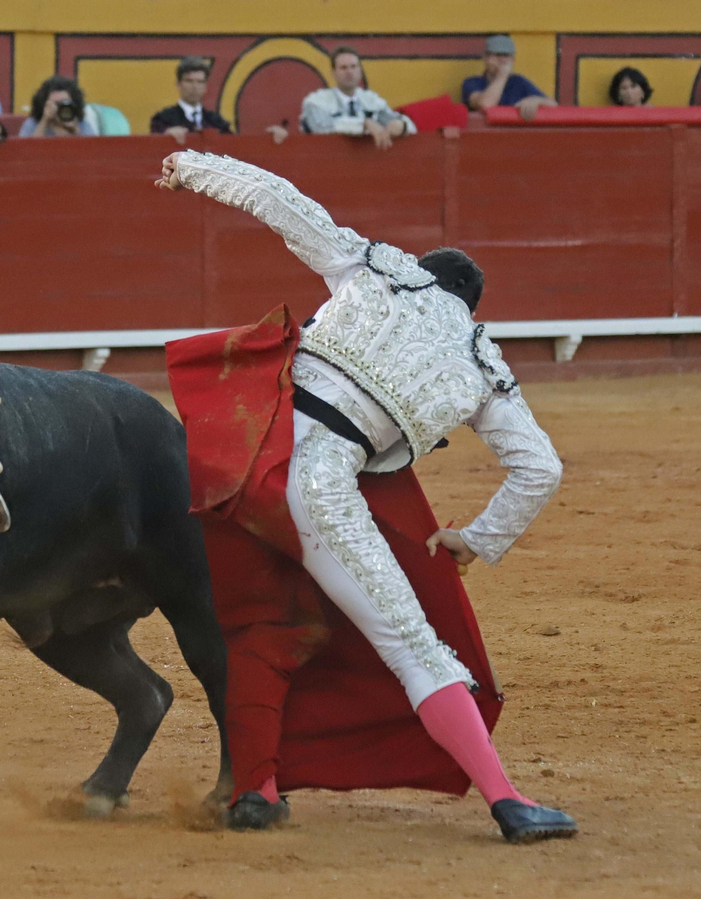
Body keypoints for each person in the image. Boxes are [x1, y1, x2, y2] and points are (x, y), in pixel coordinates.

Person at [156, 149, 577, 843]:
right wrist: (475, 538)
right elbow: (540, 468)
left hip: (238, 455)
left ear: (423, 271)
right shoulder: (479, 360)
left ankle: (255, 788)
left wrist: (191, 165)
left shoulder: (376, 267)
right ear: (470, 306)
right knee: (415, 647)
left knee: (259, 626)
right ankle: (506, 800)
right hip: (319, 486)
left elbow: (280, 198)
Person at [300, 47, 413, 148]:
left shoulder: (371, 100)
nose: (349, 72)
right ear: (333, 73)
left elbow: (404, 123)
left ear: (360, 70)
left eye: (353, 67)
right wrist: (363, 124)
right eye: (343, 68)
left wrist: (401, 125)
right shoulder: (316, 101)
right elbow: (322, 129)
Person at [462, 35, 557, 121]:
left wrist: (536, 101)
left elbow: (554, 105)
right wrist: (502, 75)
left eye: (505, 55)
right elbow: (486, 104)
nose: (502, 60)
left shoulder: (519, 82)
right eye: (497, 55)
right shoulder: (472, 82)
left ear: (513, 59)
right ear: (485, 58)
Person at [150, 57, 232, 142]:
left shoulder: (217, 122)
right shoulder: (163, 119)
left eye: (200, 82)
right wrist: (166, 135)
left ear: (205, 86)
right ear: (178, 84)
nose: (195, 87)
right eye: (189, 81)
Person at [18, 75, 97, 137]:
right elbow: (27, 150)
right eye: (56, 104)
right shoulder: (32, 124)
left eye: (65, 102)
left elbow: (93, 152)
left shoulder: (82, 125)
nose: (61, 108)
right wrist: (45, 120)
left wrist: (75, 131)